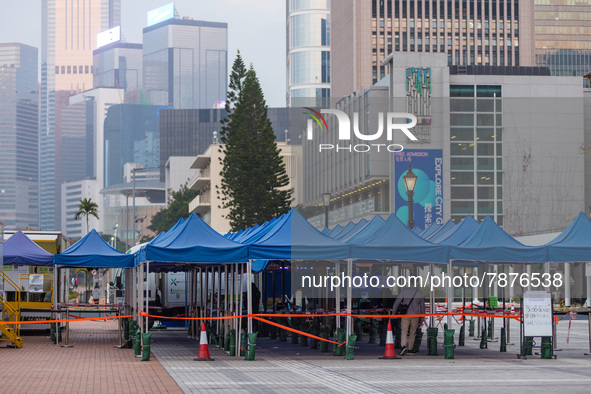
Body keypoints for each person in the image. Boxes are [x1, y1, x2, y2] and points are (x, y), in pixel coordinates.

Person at [391, 286, 425, 356]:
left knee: (404, 331)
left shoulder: (404, 291)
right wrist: (422, 317)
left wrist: (393, 313)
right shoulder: (419, 292)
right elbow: (422, 306)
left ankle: (403, 346)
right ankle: (410, 349)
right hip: (415, 315)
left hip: (405, 314)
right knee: (412, 332)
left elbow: (397, 302)